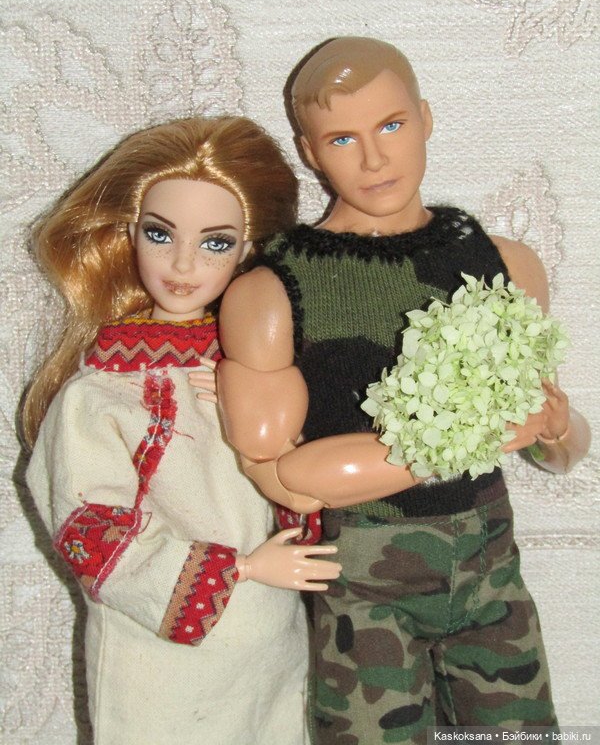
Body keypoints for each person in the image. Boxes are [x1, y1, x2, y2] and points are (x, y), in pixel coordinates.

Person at [213, 39, 591, 741]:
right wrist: (460, 439)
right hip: (367, 587)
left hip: (490, 575)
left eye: (391, 125)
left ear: (425, 118)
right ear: (310, 152)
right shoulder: (274, 290)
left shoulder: (504, 264)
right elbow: (285, 477)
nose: (374, 158)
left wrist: (557, 427)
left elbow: (560, 449)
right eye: (342, 138)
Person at [22, 116, 341, 745]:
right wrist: (243, 570)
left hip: (272, 649)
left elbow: (308, 493)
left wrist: (272, 440)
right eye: (159, 234)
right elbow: (90, 530)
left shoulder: (261, 373)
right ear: (128, 235)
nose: (183, 263)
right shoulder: (99, 397)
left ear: (249, 249)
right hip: (159, 662)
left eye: (216, 242)